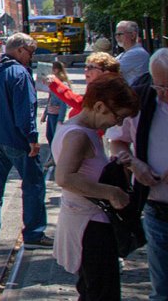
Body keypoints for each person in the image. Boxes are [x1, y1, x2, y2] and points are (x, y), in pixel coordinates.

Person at [53, 74, 140, 301]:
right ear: (99, 106)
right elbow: (64, 178)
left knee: (94, 289)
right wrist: (111, 192)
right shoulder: (79, 136)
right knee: (101, 292)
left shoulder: (78, 128)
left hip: (84, 222)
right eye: (118, 116)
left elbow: (85, 171)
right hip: (90, 227)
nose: (118, 124)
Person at [0, 33, 50, 250]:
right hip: (14, 138)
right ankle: (33, 233)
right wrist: (32, 138)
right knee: (33, 184)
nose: (31, 58)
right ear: (20, 50)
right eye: (30, 53)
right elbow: (25, 110)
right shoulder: (19, 73)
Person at [108, 48, 168, 300]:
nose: (164, 95)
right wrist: (134, 163)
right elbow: (117, 142)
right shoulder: (142, 101)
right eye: (160, 87)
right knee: (162, 288)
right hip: (157, 208)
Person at [50, 52, 122, 121]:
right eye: (86, 66)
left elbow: (82, 105)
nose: (86, 70)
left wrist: (55, 84)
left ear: (106, 74)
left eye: (91, 67)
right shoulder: (93, 90)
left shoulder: (110, 93)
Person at [42, 60, 71, 147]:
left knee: (55, 137)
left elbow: (63, 104)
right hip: (51, 114)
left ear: (56, 71)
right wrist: (45, 114)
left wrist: (60, 120)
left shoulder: (62, 84)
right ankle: (52, 154)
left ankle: (54, 156)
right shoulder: (53, 84)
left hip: (56, 115)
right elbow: (50, 99)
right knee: (49, 135)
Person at [115, 20, 150, 85]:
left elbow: (111, 68)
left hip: (134, 93)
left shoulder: (137, 53)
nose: (117, 37)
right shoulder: (123, 54)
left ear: (133, 35)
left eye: (120, 34)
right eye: (116, 34)